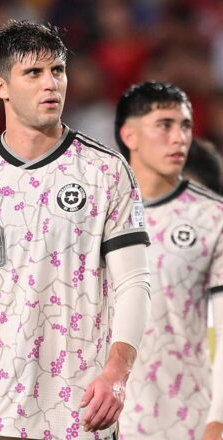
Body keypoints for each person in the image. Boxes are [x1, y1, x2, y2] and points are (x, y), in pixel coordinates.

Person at [0, 20, 151, 440]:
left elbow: (134, 282)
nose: (51, 84)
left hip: (74, 414)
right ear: (0, 86)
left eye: (58, 70)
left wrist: (117, 372)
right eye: (34, 73)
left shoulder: (106, 172)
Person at [114, 82, 223, 440]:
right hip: (99, 420)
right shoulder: (93, 213)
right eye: (165, 125)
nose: (180, 138)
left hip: (186, 422)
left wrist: (218, 419)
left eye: (186, 126)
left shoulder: (213, 218)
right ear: (129, 134)